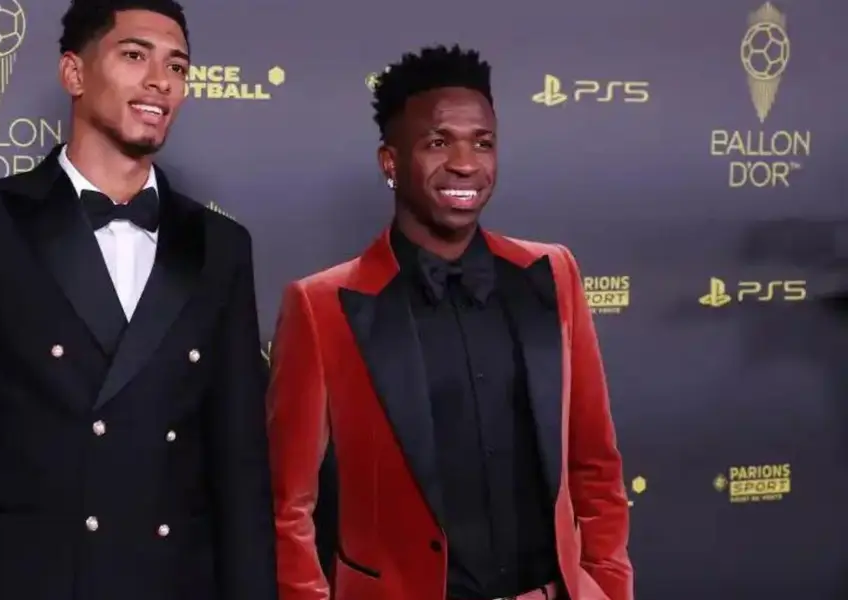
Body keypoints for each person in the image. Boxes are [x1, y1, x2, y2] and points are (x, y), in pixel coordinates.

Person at [0, 1, 277, 599]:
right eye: (134, 55)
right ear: (73, 73)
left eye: (176, 65)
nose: (159, 81)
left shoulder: (221, 247)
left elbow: (240, 468)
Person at [266, 45, 633, 600]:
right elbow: (288, 507)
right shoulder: (322, 306)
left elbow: (595, 465)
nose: (466, 163)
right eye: (439, 142)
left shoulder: (553, 274)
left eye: (482, 142)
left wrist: (607, 587)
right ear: (390, 162)